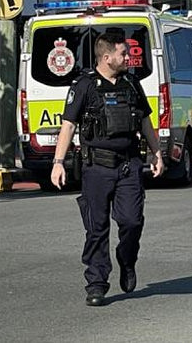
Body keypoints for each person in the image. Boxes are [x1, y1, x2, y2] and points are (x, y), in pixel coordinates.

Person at [51, 32, 165, 307]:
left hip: (128, 165)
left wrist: (157, 152)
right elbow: (67, 125)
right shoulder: (84, 86)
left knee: (132, 221)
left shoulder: (131, 83)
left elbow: (146, 122)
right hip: (96, 167)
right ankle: (97, 283)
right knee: (96, 228)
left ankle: (127, 260)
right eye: (123, 54)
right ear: (106, 57)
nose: (128, 57)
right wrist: (58, 163)